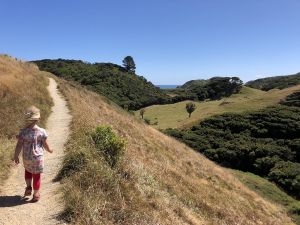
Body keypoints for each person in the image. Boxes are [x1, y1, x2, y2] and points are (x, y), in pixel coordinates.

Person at [13, 106, 53, 202]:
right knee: (36, 176)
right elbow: (46, 145)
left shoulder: (23, 132)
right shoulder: (42, 131)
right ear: (38, 119)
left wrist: (15, 156)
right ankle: (35, 194)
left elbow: (19, 145)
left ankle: (28, 187)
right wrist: (50, 150)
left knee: (28, 171)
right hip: (38, 159)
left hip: (26, 157)